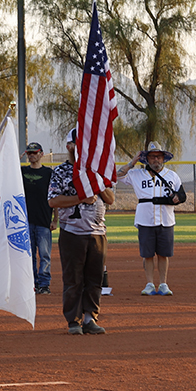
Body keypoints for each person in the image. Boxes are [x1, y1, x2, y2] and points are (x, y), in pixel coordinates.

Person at [48, 128, 115, 335]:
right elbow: (53, 201)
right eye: (78, 144)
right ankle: (73, 320)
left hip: (97, 233)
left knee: (95, 278)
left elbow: (111, 199)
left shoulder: (100, 170)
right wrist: (80, 198)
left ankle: (90, 318)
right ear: (70, 146)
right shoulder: (60, 171)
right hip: (72, 232)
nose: (83, 148)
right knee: (73, 278)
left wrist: (96, 180)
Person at [117, 142, 183, 296]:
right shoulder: (136, 174)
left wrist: (177, 198)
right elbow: (116, 175)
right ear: (146, 159)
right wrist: (132, 162)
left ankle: (164, 284)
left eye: (159, 157)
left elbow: (181, 194)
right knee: (147, 254)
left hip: (166, 218)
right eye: (152, 157)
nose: (156, 160)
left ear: (163, 158)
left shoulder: (172, 175)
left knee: (163, 253)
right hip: (145, 218)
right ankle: (149, 284)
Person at [21, 142, 56, 295]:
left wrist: (55, 220)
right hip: (26, 221)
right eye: (29, 153)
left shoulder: (49, 173)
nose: (32, 155)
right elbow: (6, 171)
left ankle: (44, 284)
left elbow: (54, 197)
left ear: (41, 154)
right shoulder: (21, 171)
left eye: (34, 153)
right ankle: (32, 283)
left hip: (43, 220)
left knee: (44, 255)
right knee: (29, 256)